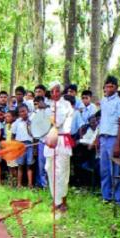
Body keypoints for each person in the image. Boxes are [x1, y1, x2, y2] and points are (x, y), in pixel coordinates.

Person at [44, 82, 74, 211]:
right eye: (52, 91)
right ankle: (55, 201)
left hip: (62, 140)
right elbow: (44, 125)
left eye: (57, 91)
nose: (54, 93)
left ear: (61, 92)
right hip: (50, 141)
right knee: (50, 170)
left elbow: (58, 122)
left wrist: (50, 117)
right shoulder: (48, 106)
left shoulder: (66, 105)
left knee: (62, 172)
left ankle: (63, 201)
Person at [99, 76, 120, 204]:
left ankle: (118, 198)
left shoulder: (119, 102)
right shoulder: (103, 100)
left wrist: (117, 144)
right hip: (103, 137)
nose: (109, 88)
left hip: (113, 138)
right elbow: (102, 120)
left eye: (111, 86)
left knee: (115, 169)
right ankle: (106, 196)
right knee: (104, 169)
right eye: (107, 86)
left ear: (116, 87)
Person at [12, 105, 34, 188]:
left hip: (30, 145)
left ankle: (30, 184)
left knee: (29, 165)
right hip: (19, 145)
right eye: (20, 112)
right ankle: (19, 184)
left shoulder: (31, 121)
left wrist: (29, 125)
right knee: (20, 165)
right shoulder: (16, 123)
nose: (23, 113)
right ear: (18, 113)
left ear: (28, 111)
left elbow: (34, 135)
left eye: (24, 111)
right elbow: (13, 136)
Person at [32, 96, 51, 188]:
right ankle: (44, 185)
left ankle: (51, 184)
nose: (37, 105)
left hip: (51, 142)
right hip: (41, 142)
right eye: (35, 104)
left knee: (50, 164)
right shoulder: (35, 114)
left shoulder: (49, 111)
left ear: (43, 102)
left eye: (38, 103)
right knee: (41, 165)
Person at [4, 110, 18, 185]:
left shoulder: (15, 124)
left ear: (14, 117)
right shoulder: (6, 125)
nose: (6, 118)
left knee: (14, 166)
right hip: (7, 148)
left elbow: (14, 137)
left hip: (13, 148)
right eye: (6, 116)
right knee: (9, 166)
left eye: (8, 116)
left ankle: (16, 182)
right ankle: (12, 182)